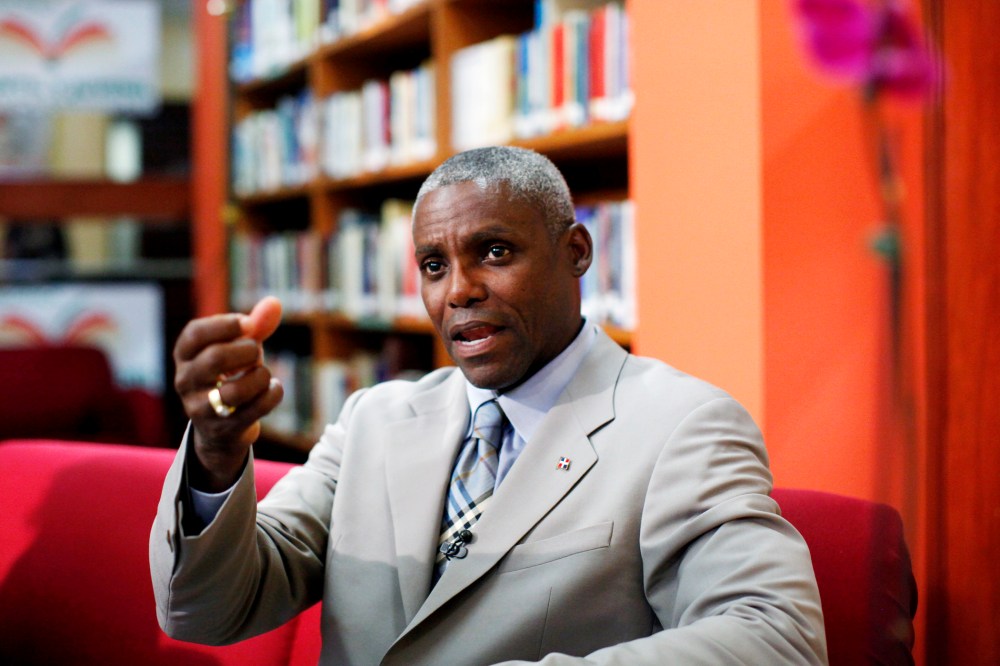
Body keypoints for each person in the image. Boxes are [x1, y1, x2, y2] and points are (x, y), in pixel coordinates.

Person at [150, 146, 827, 664]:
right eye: (434, 266)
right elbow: (208, 613)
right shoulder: (374, 421)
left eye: (494, 252)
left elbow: (777, 637)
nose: (459, 291)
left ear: (576, 252)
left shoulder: (681, 424)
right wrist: (215, 452)